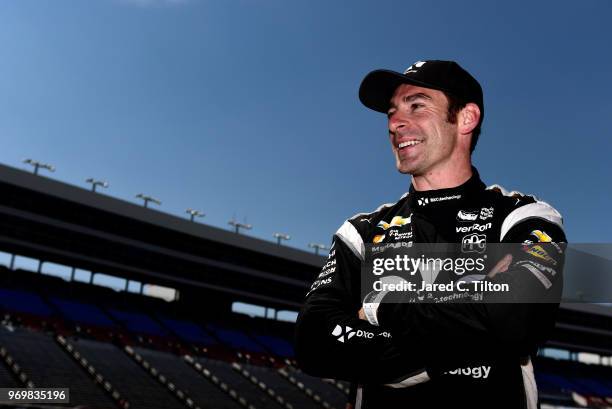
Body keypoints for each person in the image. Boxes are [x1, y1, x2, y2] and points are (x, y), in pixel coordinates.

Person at [295, 60, 565, 408]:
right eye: (392, 112)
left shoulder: (522, 216)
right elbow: (313, 340)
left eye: (417, 106)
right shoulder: (361, 231)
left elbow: (520, 316)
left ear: (466, 118)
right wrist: (475, 315)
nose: (395, 123)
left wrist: (380, 305)